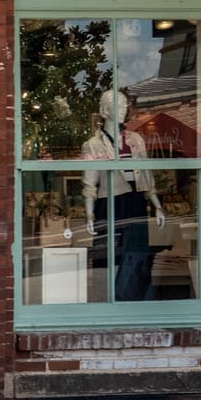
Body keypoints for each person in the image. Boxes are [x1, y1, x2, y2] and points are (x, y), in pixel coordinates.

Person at [81, 88, 162, 301]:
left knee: (137, 256)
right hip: (109, 204)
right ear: (105, 111)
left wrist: (157, 205)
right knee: (110, 255)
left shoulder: (136, 140)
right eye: (117, 105)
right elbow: (90, 184)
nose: (123, 109)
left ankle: (137, 302)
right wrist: (89, 216)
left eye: (125, 105)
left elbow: (146, 175)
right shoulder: (93, 145)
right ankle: (108, 299)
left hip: (135, 202)